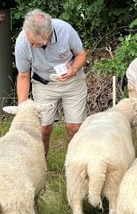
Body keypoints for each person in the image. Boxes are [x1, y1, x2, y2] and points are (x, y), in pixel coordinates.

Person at [15, 9, 87, 155]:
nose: (31, 45)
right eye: (30, 41)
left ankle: (70, 165)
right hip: (43, 84)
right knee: (42, 129)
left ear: (47, 36)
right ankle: (40, 167)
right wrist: (22, 108)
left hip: (73, 81)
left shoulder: (65, 30)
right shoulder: (23, 42)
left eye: (34, 43)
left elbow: (81, 54)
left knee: (75, 128)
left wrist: (73, 69)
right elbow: (23, 75)